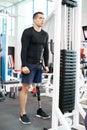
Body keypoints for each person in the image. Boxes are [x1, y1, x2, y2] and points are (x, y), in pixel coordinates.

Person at [19, 11, 50, 125]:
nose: (42, 20)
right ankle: (22, 114)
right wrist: (24, 65)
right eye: (40, 18)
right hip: (29, 64)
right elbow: (24, 49)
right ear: (34, 20)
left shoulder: (45, 34)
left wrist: (46, 64)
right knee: (25, 88)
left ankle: (39, 109)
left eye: (43, 18)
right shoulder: (28, 32)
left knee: (37, 87)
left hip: (38, 64)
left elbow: (46, 50)